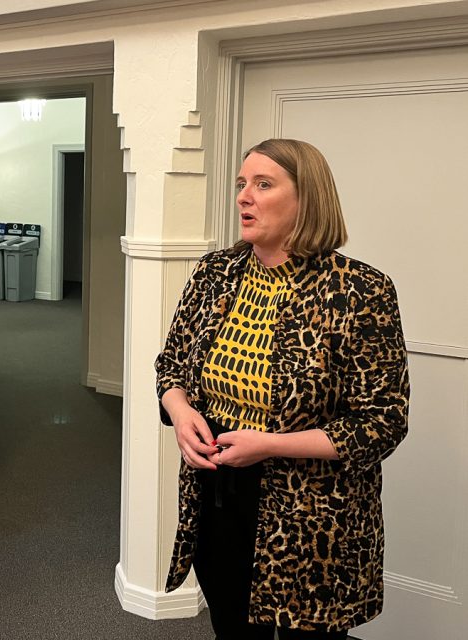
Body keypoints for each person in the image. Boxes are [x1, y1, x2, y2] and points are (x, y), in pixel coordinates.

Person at [155, 139, 409, 639]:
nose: (244, 197)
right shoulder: (215, 273)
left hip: (313, 515)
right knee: (232, 626)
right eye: (241, 185)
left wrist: (269, 445)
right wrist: (181, 411)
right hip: (220, 494)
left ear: (306, 197)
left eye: (263, 184)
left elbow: (383, 422)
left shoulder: (359, 291)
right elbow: (172, 366)